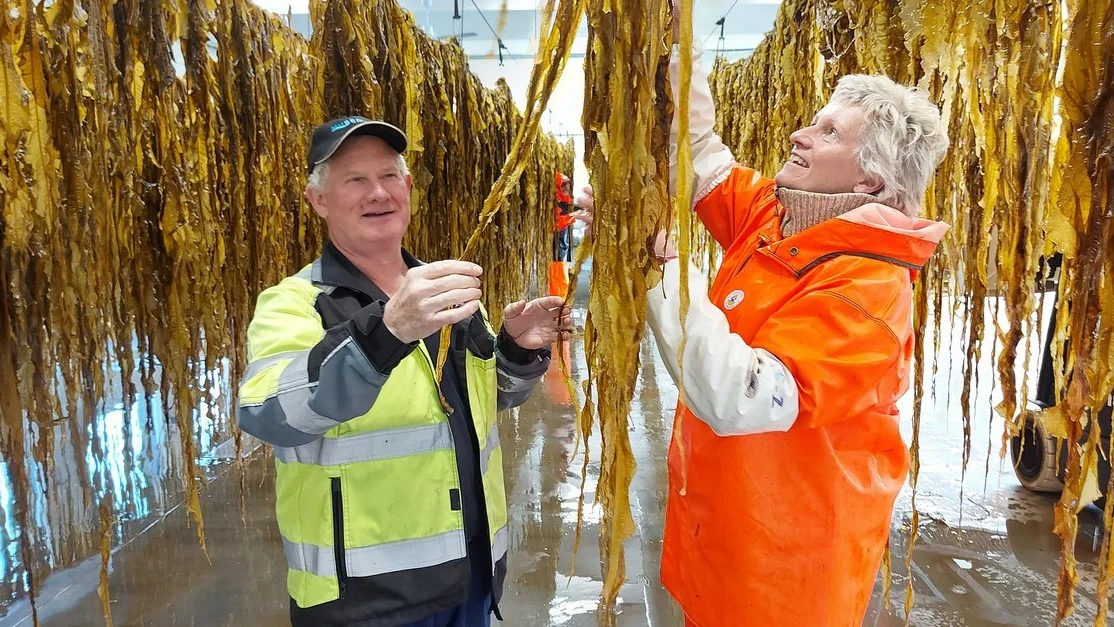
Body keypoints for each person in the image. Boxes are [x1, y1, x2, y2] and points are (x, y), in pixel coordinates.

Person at [577, 40, 950, 625]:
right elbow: (701, 153)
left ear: (873, 181)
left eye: (828, 133)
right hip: (723, 545)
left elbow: (745, 396)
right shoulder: (775, 217)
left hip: (787, 576)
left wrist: (666, 269)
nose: (800, 135)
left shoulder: (870, 289)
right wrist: (680, 42)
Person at [236, 116, 572, 627]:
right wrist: (384, 333)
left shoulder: (446, 291)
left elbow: (483, 401)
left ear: (409, 189)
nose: (378, 192)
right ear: (317, 200)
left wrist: (517, 351)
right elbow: (267, 414)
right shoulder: (295, 305)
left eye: (390, 176)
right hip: (368, 601)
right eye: (354, 180)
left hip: (470, 576)